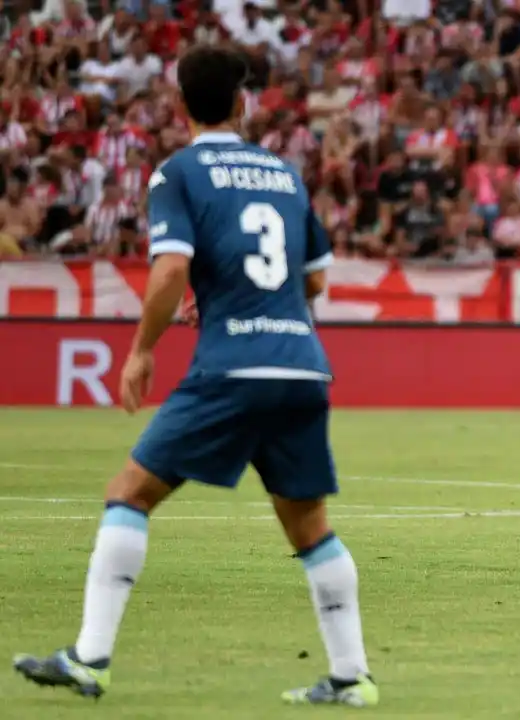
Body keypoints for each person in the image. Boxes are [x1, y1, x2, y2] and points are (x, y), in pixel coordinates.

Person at [12, 46, 379, 708]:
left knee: (130, 491)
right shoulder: (284, 174)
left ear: (181, 107)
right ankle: (353, 677)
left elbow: (170, 269)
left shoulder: (178, 172)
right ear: (243, 104)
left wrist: (141, 350)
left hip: (232, 366)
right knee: (310, 527)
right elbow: (318, 277)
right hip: (300, 365)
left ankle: (89, 660)